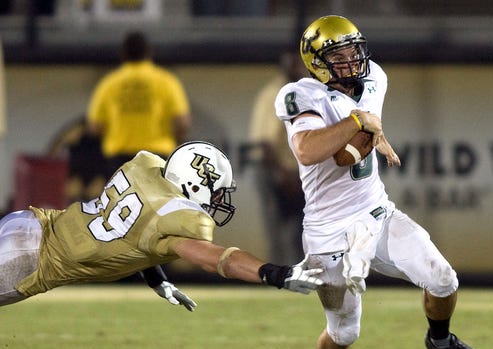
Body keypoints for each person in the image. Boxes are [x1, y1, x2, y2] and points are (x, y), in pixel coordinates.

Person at [274, 15, 491, 349]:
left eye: (354, 50)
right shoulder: (299, 95)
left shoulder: (375, 75)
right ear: (317, 62)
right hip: (328, 232)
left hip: (375, 210)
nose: (353, 61)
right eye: (339, 55)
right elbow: (308, 150)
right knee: (344, 331)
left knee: (443, 278)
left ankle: (440, 340)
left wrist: (375, 133)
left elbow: (364, 128)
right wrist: (360, 123)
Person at [0, 141, 323, 308]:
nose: (219, 201)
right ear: (194, 185)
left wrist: (157, 278)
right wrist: (275, 274)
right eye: (217, 192)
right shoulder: (180, 219)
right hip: (30, 263)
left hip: (30, 224)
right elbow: (219, 260)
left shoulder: (146, 167)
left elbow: (134, 234)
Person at [86, 30, 191, 181]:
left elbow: (94, 127)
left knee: (122, 204)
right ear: (149, 52)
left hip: (119, 161)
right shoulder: (166, 81)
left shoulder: (109, 83)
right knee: (157, 204)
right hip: (156, 157)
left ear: (123, 54)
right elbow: (183, 123)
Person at [248, 50, 307, 263]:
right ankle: (281, 279)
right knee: (278, 230)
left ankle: (300, 276)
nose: (299, 68)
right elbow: (265, 144)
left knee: (300, 231)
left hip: (294, 170)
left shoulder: (302, 92)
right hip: (273, 169)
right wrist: (282, 175)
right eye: (294, 64)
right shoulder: (276, 93)